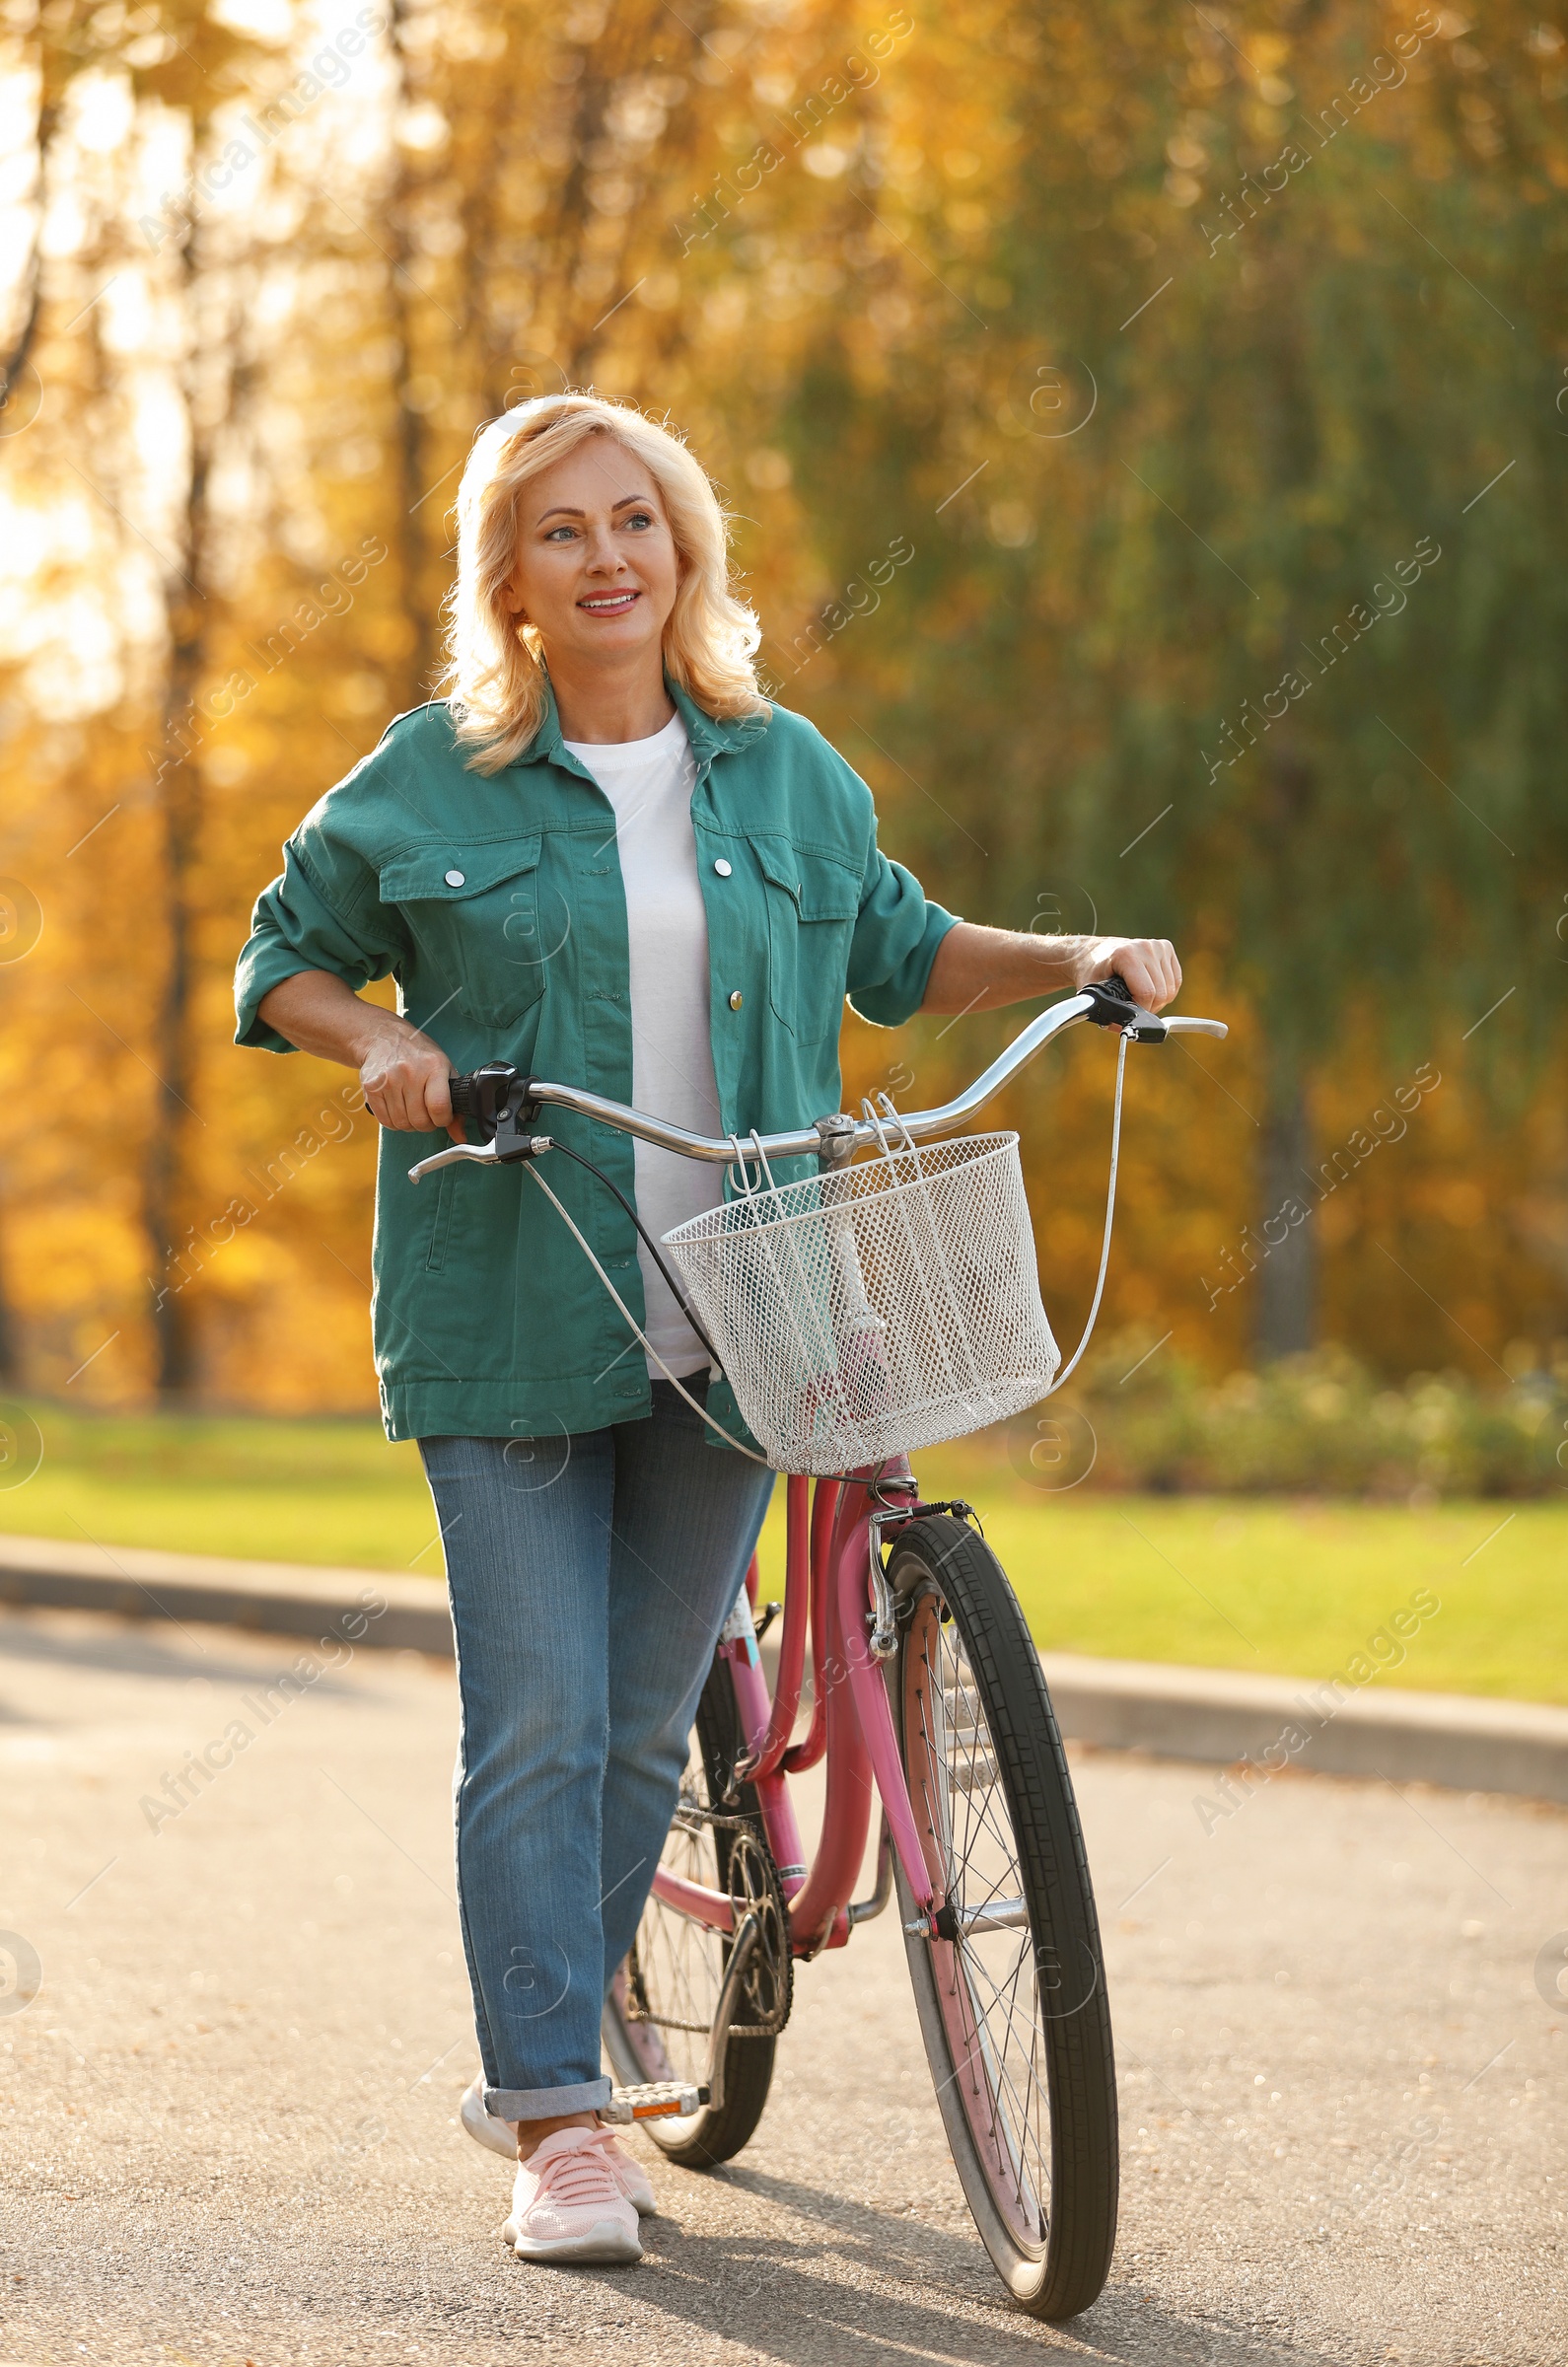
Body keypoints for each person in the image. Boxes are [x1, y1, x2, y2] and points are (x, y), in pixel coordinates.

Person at [234, 392, 1179, 2266]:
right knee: (546, 1720)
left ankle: (582, 2040)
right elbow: (287, 961)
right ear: (507, 578)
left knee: (644, 1716)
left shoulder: (785, 771)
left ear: (686, 553)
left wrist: (1078, 959)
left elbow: (905, 950)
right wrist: (390, 1044)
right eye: (564, 531)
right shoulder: (430, 778)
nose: (608, 559)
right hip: (511, 1302)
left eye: (636, 522)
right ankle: (558, 2120)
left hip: (749, 1318)